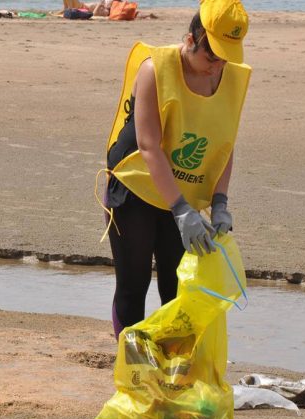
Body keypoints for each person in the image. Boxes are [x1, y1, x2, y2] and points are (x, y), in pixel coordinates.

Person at [103, 0, 250, 339]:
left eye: (225, 57)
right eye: (210, 56)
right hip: (136, 185)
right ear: (190, 39)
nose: (216, 67)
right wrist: (182, 211)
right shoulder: (156, 69)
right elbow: (149, 145)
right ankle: (134, 370)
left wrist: (221, 202)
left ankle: (176, 369)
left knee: (179, 287)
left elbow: (224, 144)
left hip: (183, 187)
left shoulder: (231, 76)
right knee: (133, 283)